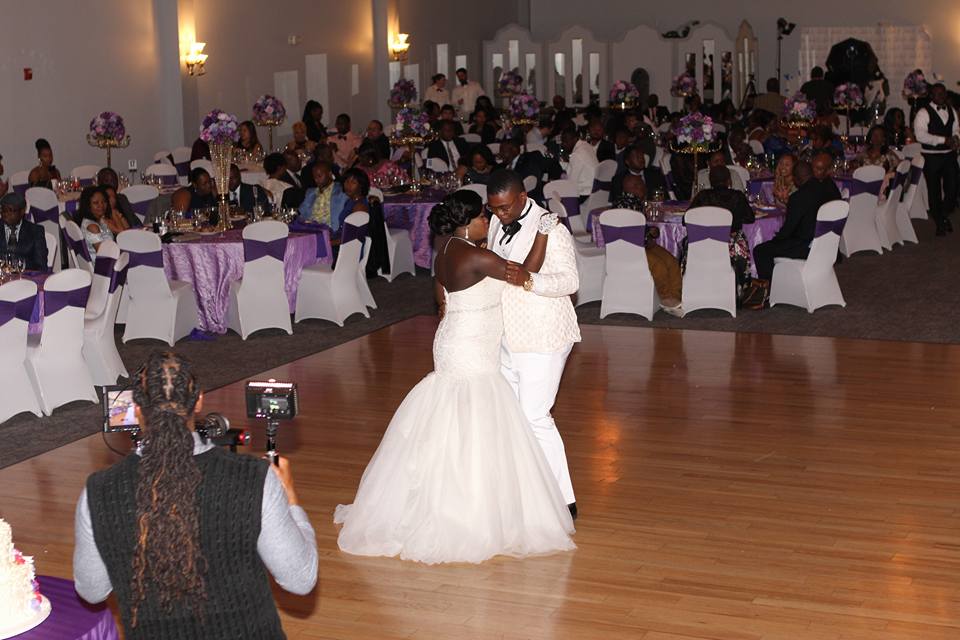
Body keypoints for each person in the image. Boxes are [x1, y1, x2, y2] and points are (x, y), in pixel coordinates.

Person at [335, 187, 575, 563]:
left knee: (448, 419)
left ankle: (444, 496)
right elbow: (523, 273)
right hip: (471, 347)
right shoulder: (477, 256)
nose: (488, 221)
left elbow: (442, 296)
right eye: (482, 216)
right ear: (467, 223)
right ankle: (468, 509)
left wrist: (457, 313)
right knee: (473, 418)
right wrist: (543, 231)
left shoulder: (445, 250)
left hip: (452, 339)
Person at [74, 351, 317, 637]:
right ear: (199, 400)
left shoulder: (99, 492)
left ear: (136, 407)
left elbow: (92, 590)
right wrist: (291, 500)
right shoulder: (253, 478)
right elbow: (300, 579)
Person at [484, 170, 581, 518]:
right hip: (507, 335)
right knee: (513, 417)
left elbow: (570, 281)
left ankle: (564, 500)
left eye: (506, 208)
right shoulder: (497, 223)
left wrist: (531, 281)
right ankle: (525, 490)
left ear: (523, 197)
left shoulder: (551, 227)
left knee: (535, 416)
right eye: (494, 210)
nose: (500, 216)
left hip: (544, 334)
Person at [744, 154, 842, 309]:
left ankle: (769, 293)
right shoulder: (828, 189)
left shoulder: (798, 197)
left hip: (806, 247)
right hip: (827, 246)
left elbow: (788, 231)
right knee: (776, 245)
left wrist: (775, 239)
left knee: (761, 250)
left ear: (796, 179)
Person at [612, 175, 683, 315]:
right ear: (635, 187)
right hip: (630, 248)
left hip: (639, 245)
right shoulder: (628, 203)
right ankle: (667, 297)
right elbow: (630, 232)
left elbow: (637, 229)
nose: (645, 188)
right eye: (642, 185)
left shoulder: (630, 202)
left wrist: (649, 233)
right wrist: (649, 234)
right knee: (660, 265)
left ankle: (674, 298)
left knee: (671, 260)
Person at [687, 166, 756, 300]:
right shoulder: (737, 196)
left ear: (710, 181)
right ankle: (740, 290)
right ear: (729, 181)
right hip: (730, 245)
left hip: (704, 242)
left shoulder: (702, 196)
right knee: (739, 237)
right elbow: (750, 218)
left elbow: (686, 220)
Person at [914, 83, 958, 235]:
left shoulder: (951, 110)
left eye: (943, 93)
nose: (942, 96)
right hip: (932, 157)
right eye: (938, 94)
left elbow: (956, 128)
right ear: (931, 96)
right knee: (934, 191)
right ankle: (939, 222)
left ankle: (944, 215)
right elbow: (920, 135)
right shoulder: (923, 112)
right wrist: (943, 140)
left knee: (953, 189)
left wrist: (956, 138)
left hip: (950, 156)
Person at [496, 137, 560, 205]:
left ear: (514, 150)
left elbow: (553, 164)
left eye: (503, 151)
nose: (500, 154)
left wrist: (551, 182)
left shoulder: (531, 158)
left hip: (530, 199)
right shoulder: (500, 167)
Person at [0, 192, 48, 271]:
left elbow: (41, 265)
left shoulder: (35, 231)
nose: (5, 214)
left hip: (25, 279)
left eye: (10, 210)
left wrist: (16, 266)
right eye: (3, 210)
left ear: (22, 211)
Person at [298, 160, 349, 233]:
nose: (316, 179)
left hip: (330, 231)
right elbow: (302, 214)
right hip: (310, 230)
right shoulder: (311, 192)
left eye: (319, 176)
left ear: (330, 174)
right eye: (314, 177)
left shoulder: (342, 191)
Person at [75, 186, 126, 256]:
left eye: (104, 201)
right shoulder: (92, 227)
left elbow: (122, 233)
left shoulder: (100, 219)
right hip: (104, 264)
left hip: (112, 256)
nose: (101, 205)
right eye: (96, 203)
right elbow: (104, 256)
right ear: (88, 205)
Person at [559, 126, 598, 199]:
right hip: (595, 189)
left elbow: (571, 182)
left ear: (575, 139)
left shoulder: (577, 155)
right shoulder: (587, 145)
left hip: (584, 193)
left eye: (566, 142)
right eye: (562, 141)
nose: (563, 144)